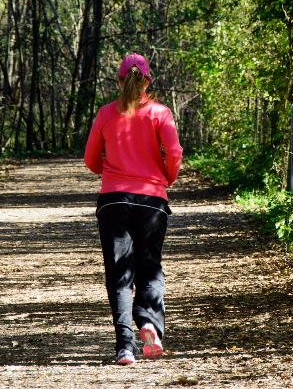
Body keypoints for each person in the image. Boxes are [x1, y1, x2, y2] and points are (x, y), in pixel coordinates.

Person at [84, 53, 183, 365]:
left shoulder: (105, 114)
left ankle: (125, 347)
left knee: (120, 275)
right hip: (152, 200)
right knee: (149, 266)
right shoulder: (160, 112)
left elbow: (90, 160)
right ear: (147, 81)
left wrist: (112, 171)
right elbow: (175, 151)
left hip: (114, 201)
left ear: (120, 79)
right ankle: (149, 323)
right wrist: (166, 178)